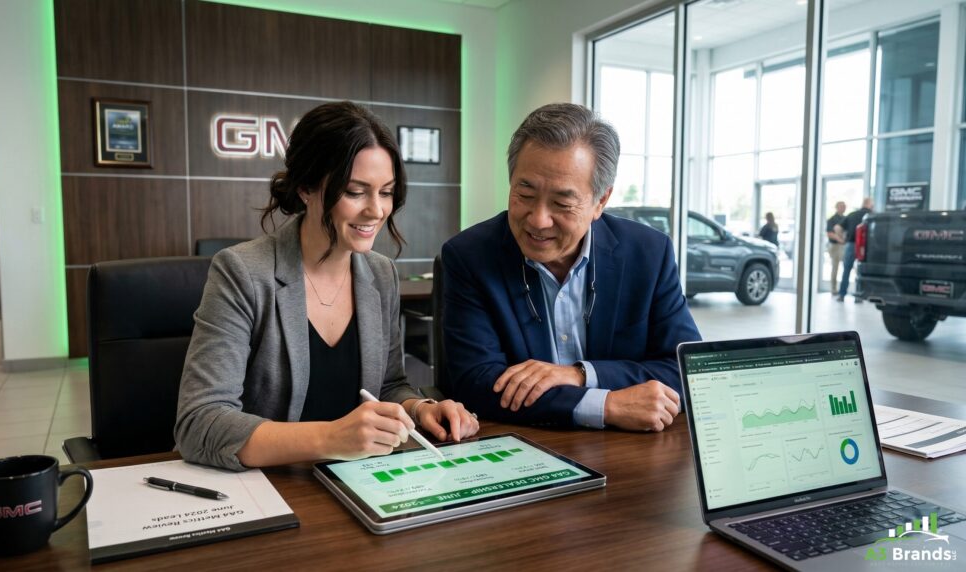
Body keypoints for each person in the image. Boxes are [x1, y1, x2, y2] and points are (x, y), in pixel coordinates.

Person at [175, 101, 478, 471]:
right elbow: (199, 423)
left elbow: (386, 387)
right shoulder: (242, 273)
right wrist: (331, 438)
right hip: (274, 488)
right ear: (305, 187)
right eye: (355, 191)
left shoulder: (380, 274)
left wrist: (420, 408)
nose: (377, 210)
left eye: (386, 192)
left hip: (357, 484)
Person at [441, 103, 701, 432]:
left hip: (633, 455)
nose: (538, 219)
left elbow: (687, 369)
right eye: (524, 193)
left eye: (562, 203)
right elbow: (477, 382)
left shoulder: (648, 253)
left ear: (600, 202)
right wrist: (605, 404)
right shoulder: (470, 256)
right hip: (524, 446)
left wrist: (580, 374)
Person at [836, 197, 874, 302]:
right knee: (860, 271)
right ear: (870, 204)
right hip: (865, 247)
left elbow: (837, 228)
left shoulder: (852, 214)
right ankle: (858, 297)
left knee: (846, 270)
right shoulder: (871, 216)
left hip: (850, 245)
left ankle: (841, 295)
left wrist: (842, 239)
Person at [826, 201, 847, 296]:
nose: (843, 208)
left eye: (844, 206)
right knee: (835, 268)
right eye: (841, 206)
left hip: (844, 246)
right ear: (837, 207)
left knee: (846, 268)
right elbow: (830, 234)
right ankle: (833, 289)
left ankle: (843, 289)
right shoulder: (832, 220)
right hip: (835, 246)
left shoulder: (846, 219)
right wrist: (840, 240)